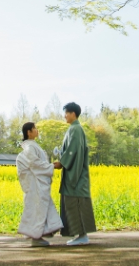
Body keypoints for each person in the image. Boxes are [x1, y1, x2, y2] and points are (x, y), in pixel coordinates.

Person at [53, 102, 96, 246]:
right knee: (74, 205)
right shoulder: (74, 129)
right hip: (75, 175)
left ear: (73, 114)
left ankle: (82, 236)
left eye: (66, 112)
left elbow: (73, 151)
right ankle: (80, 235)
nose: (64, 115)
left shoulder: (76, 129)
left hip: (76, 177)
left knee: (76, 205)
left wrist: (62, 163)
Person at [16, 122, 63, 247]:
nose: (37, 130)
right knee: (38, 209)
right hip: (35, 185)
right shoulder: (29, 147)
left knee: (41, 209)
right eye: (34, 129)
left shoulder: (32, 145)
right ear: (29, 132)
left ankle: (40, 235)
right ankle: (36, 238)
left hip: (37, 184)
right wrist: (52, 166)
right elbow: (34, 164)